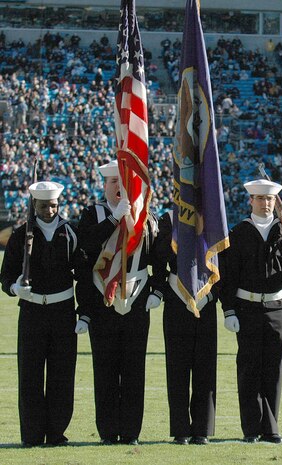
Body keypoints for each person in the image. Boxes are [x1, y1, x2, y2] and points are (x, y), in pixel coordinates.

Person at [75, 159, 160, 446]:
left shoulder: (145, 216)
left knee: (135, 369)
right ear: (105, 185)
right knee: (105, 368)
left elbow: (157, 258)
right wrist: (113, 221)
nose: (118, 189)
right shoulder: (91, 215)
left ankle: (131, 432)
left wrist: (156, 291)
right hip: (102, 299)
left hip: (136, 298)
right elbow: (84, 254)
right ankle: (108, 432)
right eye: (114, 183)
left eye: (123, 184)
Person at [219, 179, 282, 444]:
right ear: (250, 201)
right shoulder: (238, 233)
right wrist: (229, 311)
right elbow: (229, 276)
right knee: (249, 369)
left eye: (269, 200)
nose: (265, 203)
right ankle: (250, 429)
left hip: (277, 307)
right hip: (246, 308)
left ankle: (271, 427)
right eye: (260, 199)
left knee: (274, 368)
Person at [0, 181, 78, 447]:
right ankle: (32, 436)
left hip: (63, 312)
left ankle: (56, 434)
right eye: (44, 206)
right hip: (32, 312)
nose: (49, 211)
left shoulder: (70, 232)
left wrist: (87, 313)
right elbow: (6, 276)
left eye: (54, 205)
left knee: (62, 376)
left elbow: (84, 272)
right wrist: (14, 287)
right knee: (30, 376)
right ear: (34, 205)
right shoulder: (21, 235)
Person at [151, 211, 217, 445]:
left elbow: (223, 260)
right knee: (177, 368)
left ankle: (202, 429)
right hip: (177, 295)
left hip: (206, 296)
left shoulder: (213, 213)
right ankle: (180, 429)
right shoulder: (169, 218)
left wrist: (213, 295)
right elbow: (158, 258)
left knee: (205, 367)